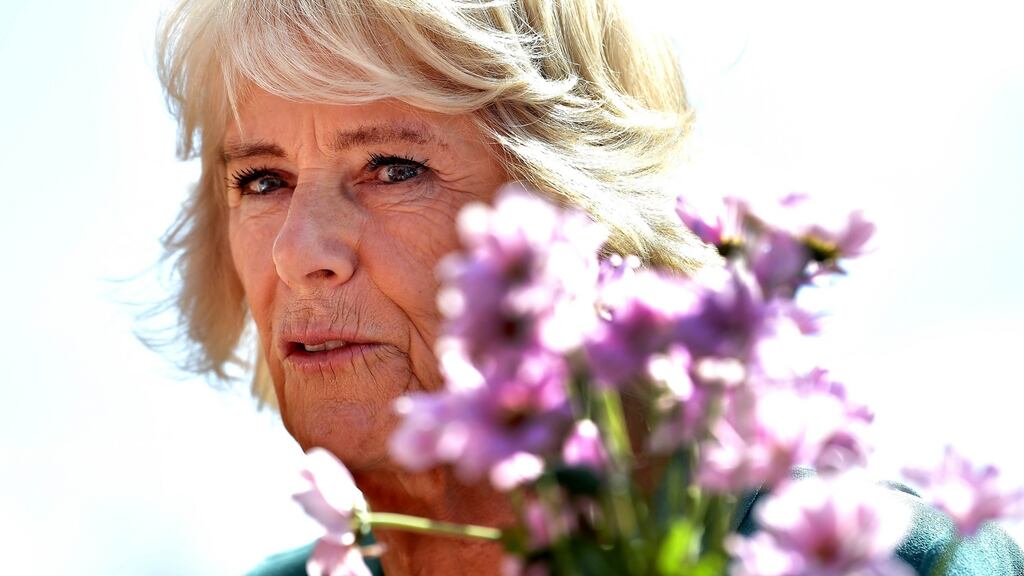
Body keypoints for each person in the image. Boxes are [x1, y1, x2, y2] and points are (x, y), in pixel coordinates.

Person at [155, 1, 1023, 575]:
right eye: (261, 181)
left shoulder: (886, 557)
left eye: (392, 167)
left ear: (580, 212)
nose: (299, 252)